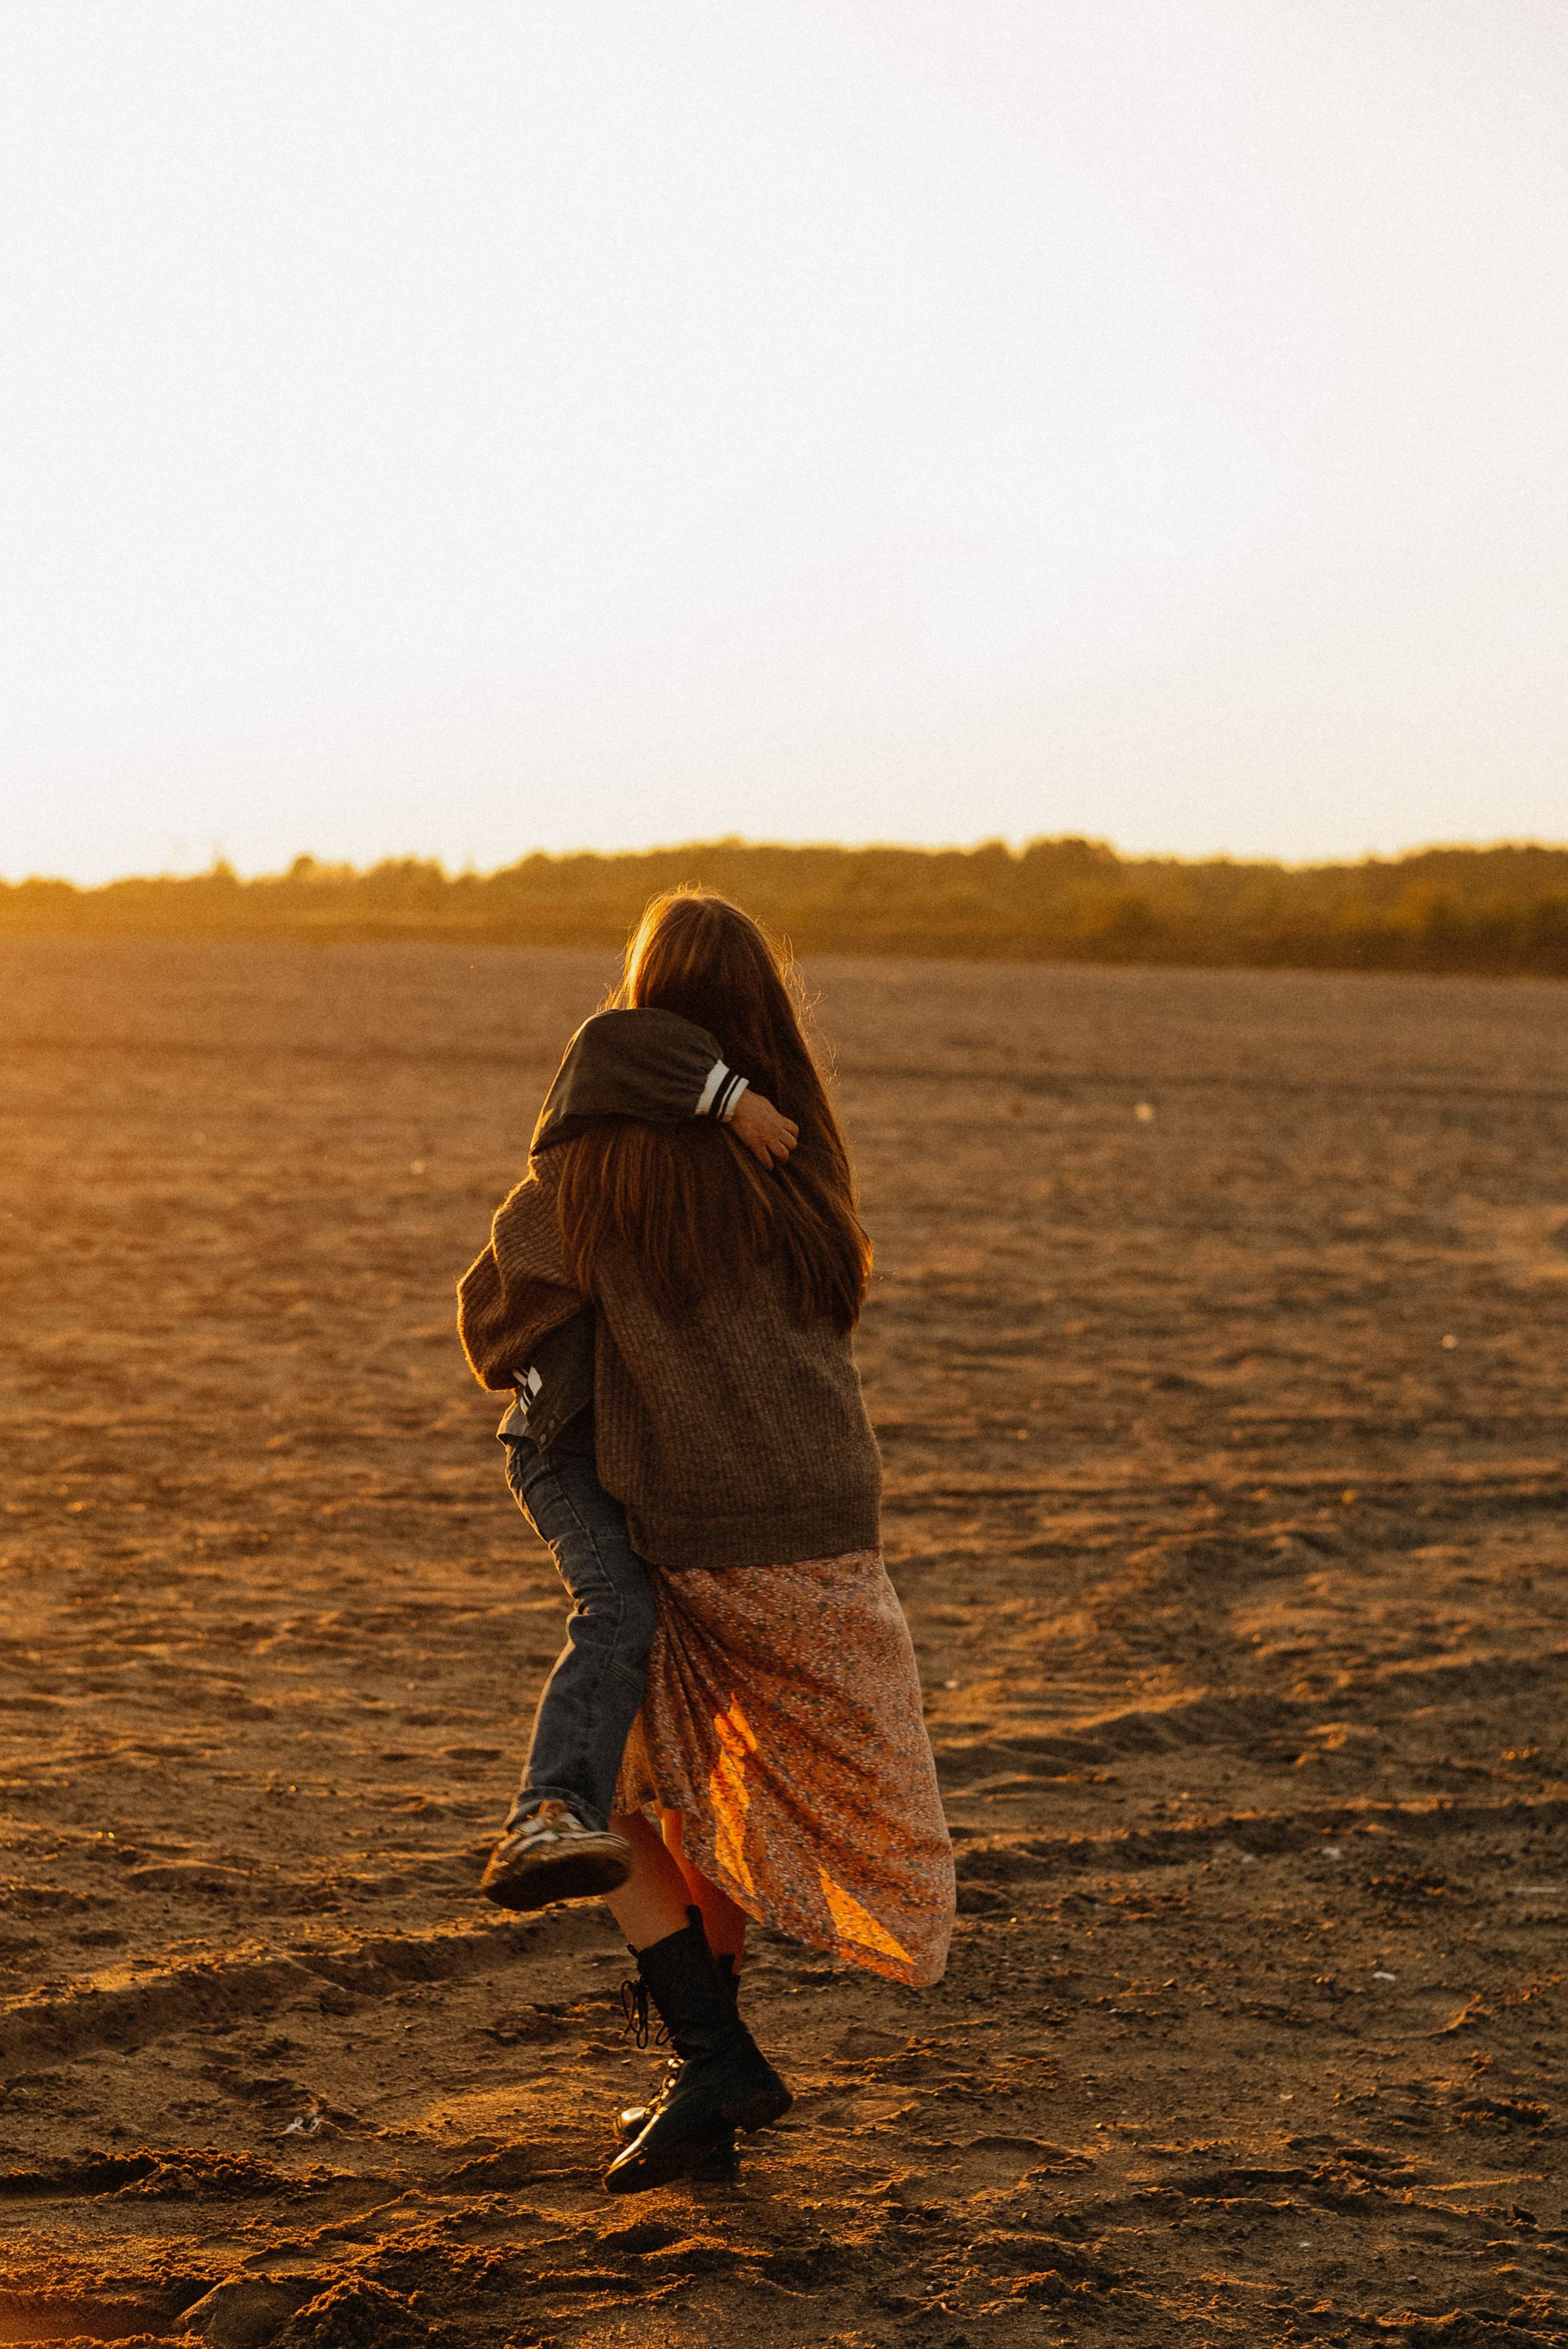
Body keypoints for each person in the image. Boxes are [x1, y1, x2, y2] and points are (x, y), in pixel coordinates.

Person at [458, 890, 954, 2195]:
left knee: (628, 1797)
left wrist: (582, 1355)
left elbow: (487, 1323)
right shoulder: (798, 1155)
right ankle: (704, 2088)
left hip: (696, 1522)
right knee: (693, 1780)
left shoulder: (599, 1167)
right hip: (834, 1525)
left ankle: (709, 2055)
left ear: (642, 1011)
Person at [466, 1005, 798, 1911]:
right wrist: (735, 1101)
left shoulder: (677, 1177)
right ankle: (546, 1811)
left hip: (623, 1458)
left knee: (652, 1630)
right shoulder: (588, 1171)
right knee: (615, 1606)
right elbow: (611, 1048)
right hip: (559, 1449)